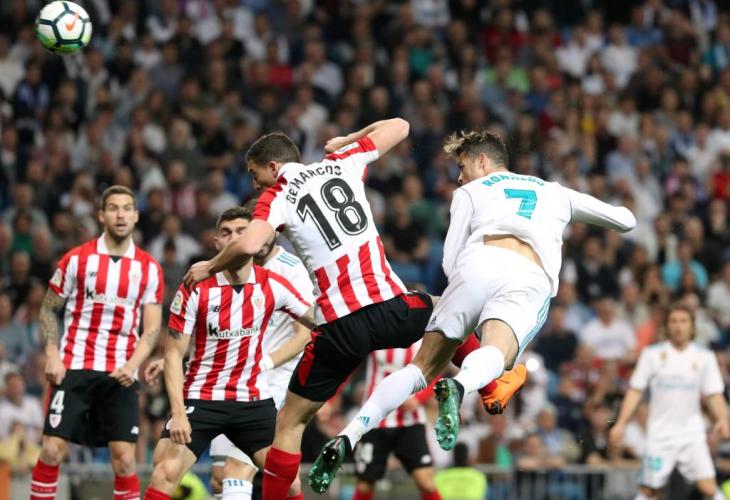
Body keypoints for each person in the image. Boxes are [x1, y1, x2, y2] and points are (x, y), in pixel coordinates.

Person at [310, 129, 636, 491]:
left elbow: (450, 261)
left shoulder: (471, 192)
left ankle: (350, 434)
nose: (460, 177)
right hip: (527, 274)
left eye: (463, 167)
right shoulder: (556, 192)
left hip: (477, 263)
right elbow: (625, 220)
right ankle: (460, 385)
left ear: (483, 161)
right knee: (499, 353)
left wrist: (462, 301)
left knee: (421, 368)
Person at [181, 120, 491, 499]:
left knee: (289, 425)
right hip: (389, 308)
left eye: (254, 173)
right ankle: (491, 385)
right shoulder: (343, 161)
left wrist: (210, 265)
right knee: (449, 309)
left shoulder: (275, 196)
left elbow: (249, 245)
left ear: (273, 167)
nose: (255, 183)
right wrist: (350, 138)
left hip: (338, 327)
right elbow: (401, 126)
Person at [143, 207, 316, 500]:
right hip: (203, 396)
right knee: (165, 471)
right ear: (216, 242)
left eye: (241, 232)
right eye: (226, 232)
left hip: (253, 400)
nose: (234, 238)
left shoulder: (273, 283)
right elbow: (173, 354)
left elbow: (315, 322)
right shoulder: (195, 287)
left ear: (254, 239)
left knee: (289, 484)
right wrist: (178, 413)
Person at [30, 185, 164, 500]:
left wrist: (133, 365)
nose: (121, 215)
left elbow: (151, 328)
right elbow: (48, 309)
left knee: (126, 460)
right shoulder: (76, 259)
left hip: (121, 372)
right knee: (51, 450)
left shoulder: (149, 268)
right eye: (113, 208)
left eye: (127, 208)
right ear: (102, 215)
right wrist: (52, 354)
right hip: (73, 367)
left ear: (136, 216)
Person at [609, 303, 729, 500]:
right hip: (660, 434)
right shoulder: (652, 355)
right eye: (673, 321)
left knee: (708, 487)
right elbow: (635, 390)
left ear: (692, 326)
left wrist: (723, 419)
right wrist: (620, 423)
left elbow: (714, 394)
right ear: (666, 326)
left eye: (683, 321)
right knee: (649, 490)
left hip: (692, 434)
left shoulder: (704, 357)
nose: (678, 326)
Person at [353, 340, 440, 500]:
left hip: (410, 422)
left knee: (426, 481)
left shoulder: (422, 338)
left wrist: (418, 399)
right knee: (364, 486)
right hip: (374, 420)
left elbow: (435, 370)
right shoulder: (377, 333)